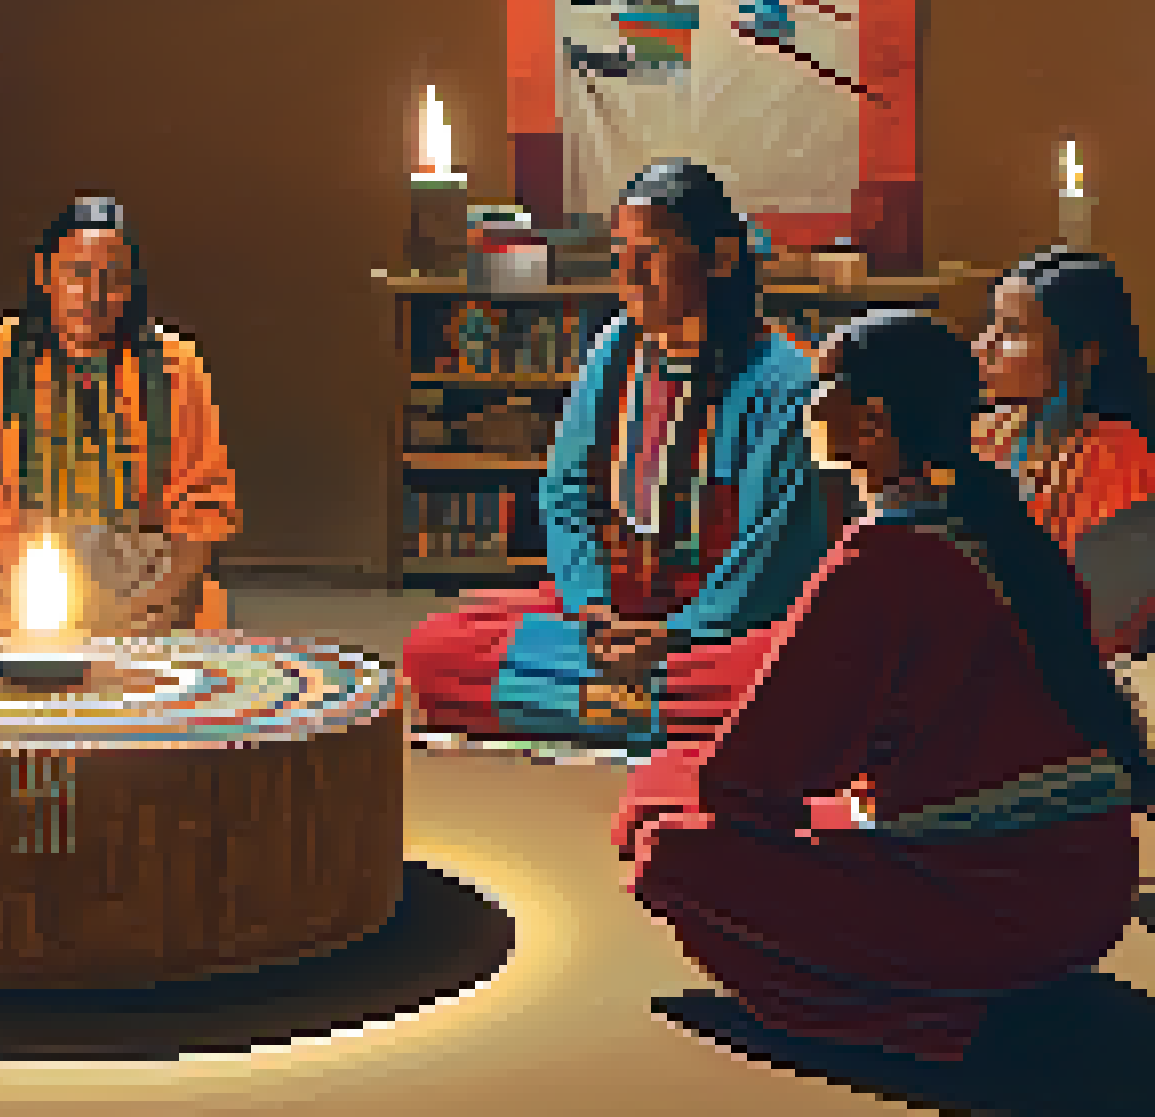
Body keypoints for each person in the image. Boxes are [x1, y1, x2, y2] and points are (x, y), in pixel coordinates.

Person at [621, 308, 1145, 1064]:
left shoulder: (885, 561)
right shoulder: (991, 528)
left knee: (664, 840)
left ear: (871, 424)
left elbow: (751, 778)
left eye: (823, 388)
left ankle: (910, 1024)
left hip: (1003, 902)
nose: (807, 406)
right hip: (1088, 884)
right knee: (677, 779)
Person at [400, 159, 831, 753]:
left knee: (790, 679)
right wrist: (593, 606)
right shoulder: (617, 347)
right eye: (620, 253)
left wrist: (672, 636)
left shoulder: (786, 382)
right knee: (435, 649)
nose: (628, 274)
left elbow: (772, 564)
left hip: (719, 630)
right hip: (614, 615)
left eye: (649, 255)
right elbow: (566, 491)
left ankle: (599, 702)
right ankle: (646, 710)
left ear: (720, 259)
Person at [0, 197, 239, 636]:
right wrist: (63, 601)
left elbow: (202, 509)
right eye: (78, 273)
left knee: (205, 618)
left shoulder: (177, 365)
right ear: (45, 275)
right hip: (19, 573)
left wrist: (166, 596)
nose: (93, 295)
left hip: (141, 571)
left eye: (113, 279)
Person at [972, 247, 1155, 654]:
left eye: (1012, 333)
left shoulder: (1120, 462)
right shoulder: (987, 434)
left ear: (1084, 355)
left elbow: (1103, 628)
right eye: (989, 328)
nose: (982, 348)